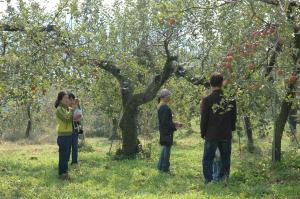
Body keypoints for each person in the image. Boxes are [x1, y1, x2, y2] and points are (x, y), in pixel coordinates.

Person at [200, 72, 237, 184]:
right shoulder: (230, 99)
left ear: (211, 84)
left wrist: (203, 132)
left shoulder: (207, 100)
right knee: (225, 158)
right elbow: (233, 116)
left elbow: (204, 118)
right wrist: (232, 128)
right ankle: (223, 179)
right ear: (222, 83)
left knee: (208, 158)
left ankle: (208, 180)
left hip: (211, 134)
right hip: (225, 133)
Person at [157, 89, 182, 173]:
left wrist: (175, 123)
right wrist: (175, 127)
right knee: (167, 149)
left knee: (165, 147)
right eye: (169, 96)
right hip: (166, 131)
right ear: (164, 97)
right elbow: (165, 122)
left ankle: (160, 166)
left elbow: (165, 120)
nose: (170, 98)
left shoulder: (161, 105)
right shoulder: (164, 107)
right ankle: (165, 169)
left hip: (164, 130)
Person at [55, 91, 74, 180]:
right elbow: (66, 120)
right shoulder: (59, 109)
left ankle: (65, 173)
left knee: (66, 156)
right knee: (63, 156)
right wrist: (72, 110)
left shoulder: (66, 109)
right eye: (65, 98)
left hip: (68, 135)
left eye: (68, 98)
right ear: (60, 99)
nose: (67, 100)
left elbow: (71, 119)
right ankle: (62, 174)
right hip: (63, 136)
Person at [68, 92, 80, 166]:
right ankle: (66, 160)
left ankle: (74, 162)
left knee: (74, 146)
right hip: (67, 130)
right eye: (70, 99)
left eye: (72, 99)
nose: (71, 101)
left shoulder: (77, 108)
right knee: (67, 146)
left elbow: (79, 118)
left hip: (75, 129)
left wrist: (80, 130)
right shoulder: (65, 108)